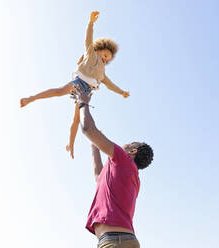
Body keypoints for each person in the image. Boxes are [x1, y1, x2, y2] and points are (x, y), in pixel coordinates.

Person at [20, 11, 129, 159]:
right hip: (79, 83)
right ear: (97, 50)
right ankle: (30, 98)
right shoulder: (91, 53)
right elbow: (88, 40)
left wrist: (121, 92)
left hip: (86, 93)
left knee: (77, 119)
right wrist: (90, 23)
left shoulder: (102, 74)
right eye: (104, 55)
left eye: (107, 59)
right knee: (60, 91)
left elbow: (111, 85)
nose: (104, 59)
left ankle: (70, 145)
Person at [74, 86, 154, 248]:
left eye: (129, 144)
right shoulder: (131, 177)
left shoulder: (123, 159)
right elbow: (99, 176)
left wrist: (83, 103)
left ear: (132, 151)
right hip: (121, 240)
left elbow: (88, 129)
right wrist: (94, 146)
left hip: (114, 241)